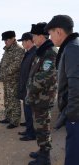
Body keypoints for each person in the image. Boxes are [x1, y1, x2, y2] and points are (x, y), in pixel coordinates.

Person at [45, 15, 79, 165]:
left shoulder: (72, 49)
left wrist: (71, 115)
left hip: (76, 117)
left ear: (58, 31)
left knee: (73, 156)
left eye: (51, 34)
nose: (50, 38)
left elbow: (76, 86)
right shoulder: (71, 46)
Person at [26, 22, 58, 165]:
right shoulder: (42, 51)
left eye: (34, 35)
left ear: (41, 36)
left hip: (43, 97)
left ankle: (45, 158)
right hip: (38, 97)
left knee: (43, 127)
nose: (32, 38)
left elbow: (46, 76)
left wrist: (31, 89)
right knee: (40, 126)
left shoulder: (50, 52)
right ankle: (42, 150)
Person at [0, 30, 25, 129]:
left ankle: (15, 121)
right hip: (6, 79)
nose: (5, 42)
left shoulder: (18, 49)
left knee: (14, 100)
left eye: (6, 40)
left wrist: (5, 72)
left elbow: (16, 65)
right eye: (4, 40)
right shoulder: (7, 49)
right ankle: (8, 117)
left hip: (13, 80)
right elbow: (4, 60)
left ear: (13, 38)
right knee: (7, 99)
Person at [17, 32, 36, 141]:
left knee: (29, 111)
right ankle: (29, 130)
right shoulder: (28, 53)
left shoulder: (34, 53)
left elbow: (32, 74)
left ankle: (31, 133)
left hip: (29, 89)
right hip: (25, 88)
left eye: (23, 41)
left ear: (29, 41)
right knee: (27, 111)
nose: (22, 44)